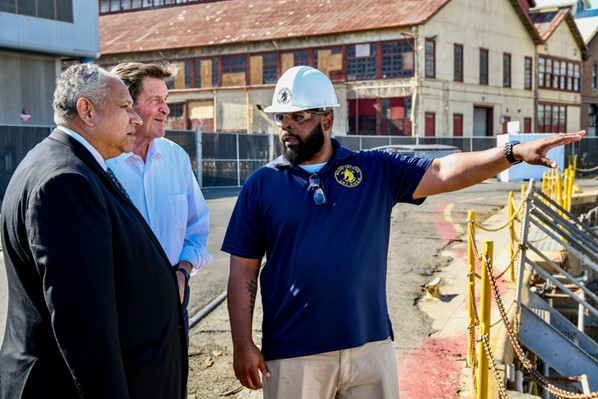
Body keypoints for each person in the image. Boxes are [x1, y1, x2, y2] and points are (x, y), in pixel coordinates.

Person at [221, 65, 586, 399]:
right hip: (294, 354)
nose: (287, 126)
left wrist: (513, 152)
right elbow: (243, 271)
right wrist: (243, 344)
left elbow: (444, 171)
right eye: (281, 118)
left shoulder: (374, 168)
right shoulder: (261, 184)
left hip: (370, 347)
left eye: (297, 117)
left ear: (327, 119)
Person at [0, 63, 188, 398]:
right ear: (86, 111)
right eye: (125, 106)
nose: (134, 118)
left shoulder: (70, 165)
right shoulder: (66, 181)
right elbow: (83, 325)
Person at [106, 62, 212, 335]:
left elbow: (196, 228)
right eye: (155, 100)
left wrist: (183, 272)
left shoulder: (175, 158)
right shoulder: (102, 163)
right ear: (127, 105)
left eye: (165, 100)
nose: (165, 108)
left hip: (173, 301)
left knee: (174, 378)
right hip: (118, 309)